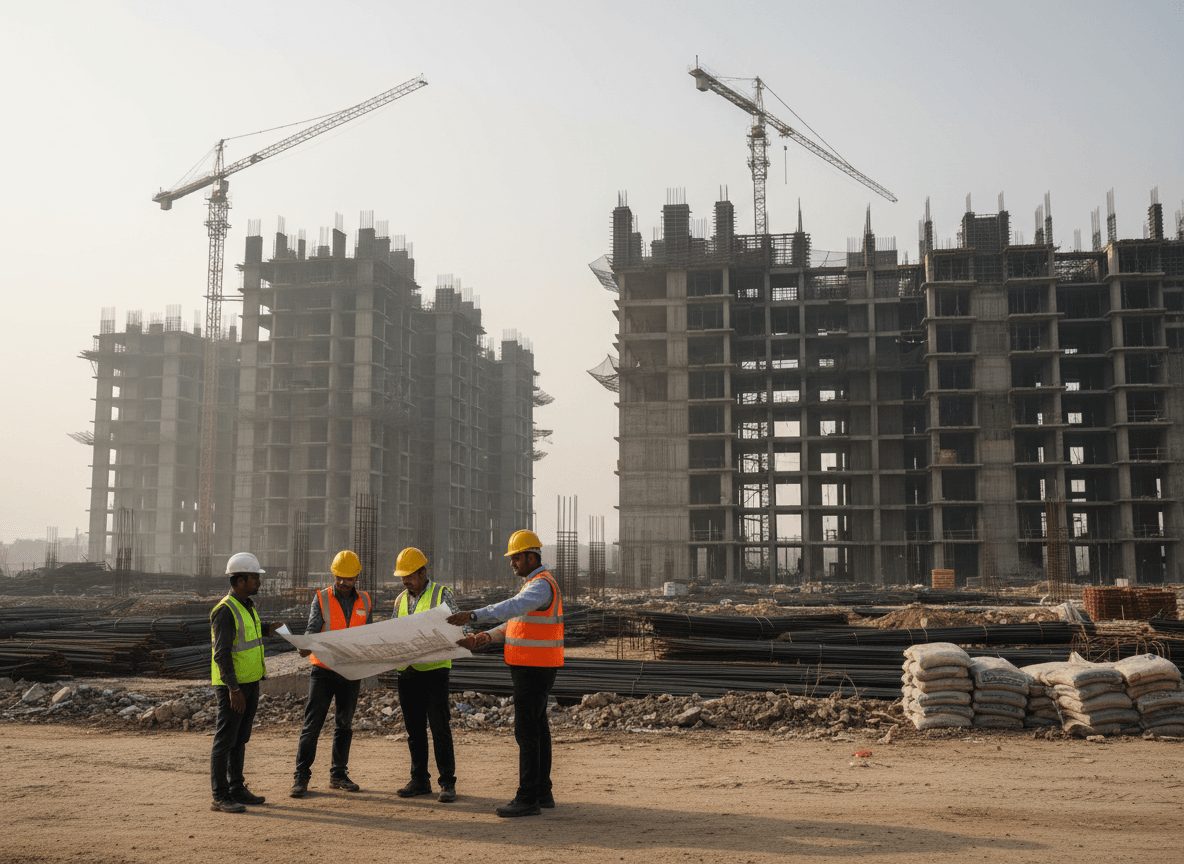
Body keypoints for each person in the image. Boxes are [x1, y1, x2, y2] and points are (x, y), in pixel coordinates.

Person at [448, 529, 562, 818]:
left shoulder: (540, 586)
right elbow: (514, 625)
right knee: (538, 730)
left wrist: (474, 615)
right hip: (534, 666)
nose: (511, 563)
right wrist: (481, 638)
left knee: (527, 733)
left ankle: (527, 798)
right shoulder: (533, 586)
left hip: (534, 668)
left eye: (515, 558)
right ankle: (541, 792)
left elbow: (513, 608)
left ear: (530, 556)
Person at [289, 550, 373, 798]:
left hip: (350, 672)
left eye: (348, 578)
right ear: (333, 575)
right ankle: (301, 777)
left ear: (357, 577)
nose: (343, 583)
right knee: (312, 726)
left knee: (344, 725)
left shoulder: (365, 600)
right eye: (339, 577)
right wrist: (304, 644)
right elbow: (313, 628)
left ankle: (338, 774)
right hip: (323, 671)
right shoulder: (321, 598)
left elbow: (367, 635)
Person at [391, 547, 467, 803]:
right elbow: (394, 629)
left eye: (409, 575)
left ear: (423, 572)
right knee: (414, 730)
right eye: (402, 576)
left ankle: (447, 783)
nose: (404, 580)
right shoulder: (400, 599)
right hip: (407, 672)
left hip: (434, 672)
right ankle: (419, 780)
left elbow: (460, 626)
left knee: (439, 728)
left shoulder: (441, 593)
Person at [209, 552, 282, 813]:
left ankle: (236, 787)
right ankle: (220, 795)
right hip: (234, 688)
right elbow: (222, 654)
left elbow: (247, 635)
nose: (259, 582)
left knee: (240, 738)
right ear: (239, 580)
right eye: (254, 577)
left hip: (250, 683)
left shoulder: (247, 606)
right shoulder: (224, 611)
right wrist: (233, 689)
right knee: (225, 739)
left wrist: (267, 628)